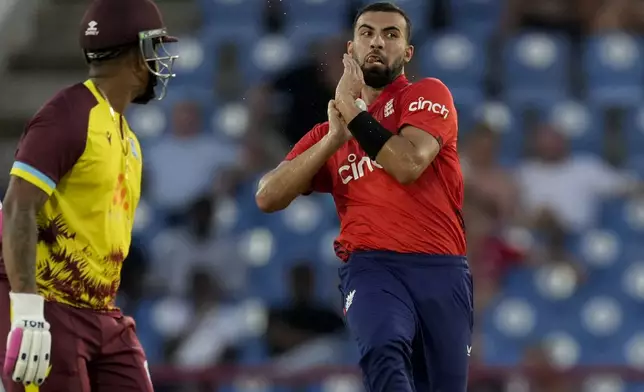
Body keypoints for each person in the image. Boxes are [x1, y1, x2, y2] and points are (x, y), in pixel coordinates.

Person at [256, 2, 473, 391]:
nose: (377, 42)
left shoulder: (428, 95)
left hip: (441, 268)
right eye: (367, 33)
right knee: (384, 347)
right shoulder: (331, 132)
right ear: (350, 50)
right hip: (372, 266)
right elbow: (267, 196)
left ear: (407, 53)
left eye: (391, 35)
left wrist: (353, 115)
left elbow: (408, 164)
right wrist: (332, 141)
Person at [0, 0, 178, 390]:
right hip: (50, 305)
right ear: (135, 55)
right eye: (154, 48)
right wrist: (28, 309)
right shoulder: (69, 112)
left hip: (103, 313)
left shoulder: (127, 136)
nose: (159, 61)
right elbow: (17, 206)